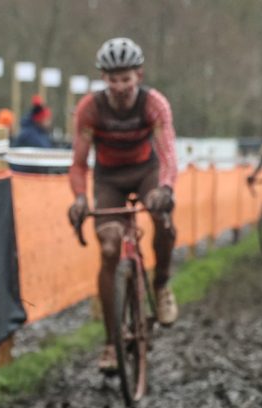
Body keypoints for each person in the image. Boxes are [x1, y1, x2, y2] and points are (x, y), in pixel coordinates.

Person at [67, 37, 179, 372]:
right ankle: (111, 345)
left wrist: (165, 187)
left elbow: (168, 154)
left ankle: (160, 285)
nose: (119, 86)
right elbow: (78, 163)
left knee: (161, 215)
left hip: (146, 172)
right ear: (104, 79)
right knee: (110, 246)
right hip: (109, 179)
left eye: (126, 78)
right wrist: (80, 198)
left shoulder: (153, 104)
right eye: (112, 79)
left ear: (139, 76)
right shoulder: (90, 108)